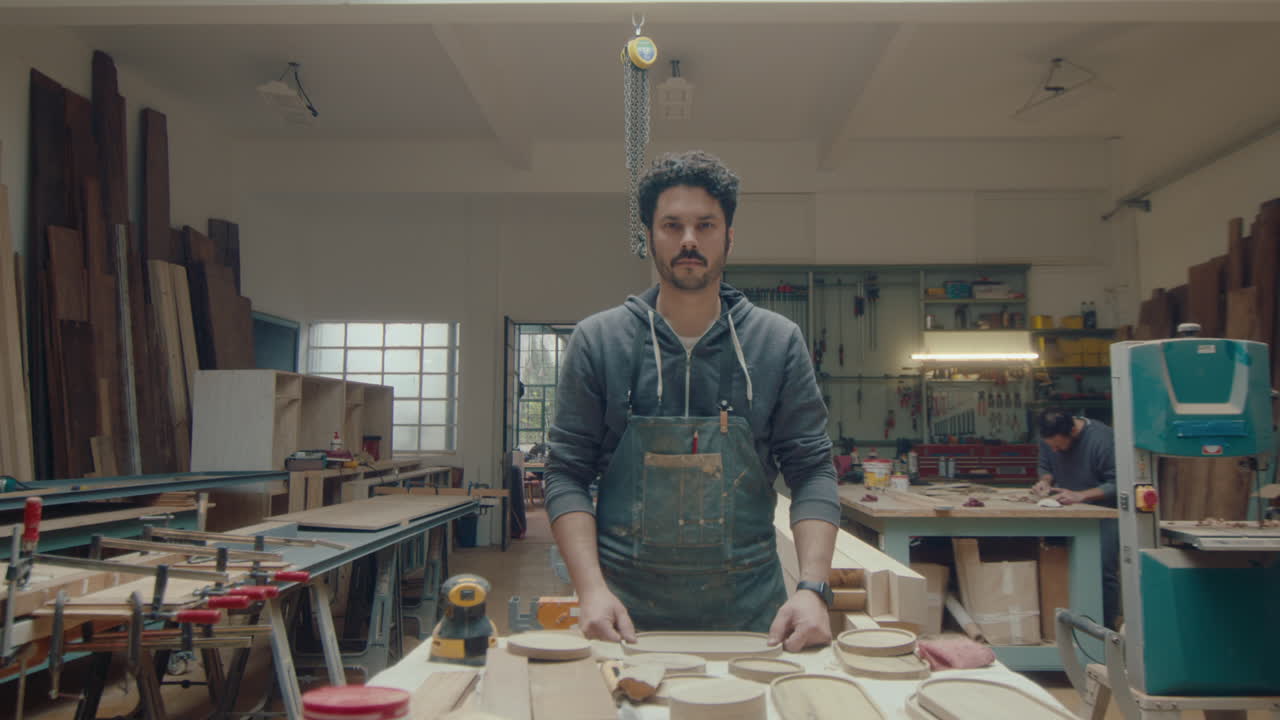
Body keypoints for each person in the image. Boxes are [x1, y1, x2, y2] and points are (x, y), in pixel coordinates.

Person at [544, 150, 840, 652]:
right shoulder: (599, 341)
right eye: (671, 225)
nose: (688, 240)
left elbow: (812, 470)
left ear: (729, 236)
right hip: (621, 617)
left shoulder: (777, 341)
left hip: (753, 618)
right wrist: (590, 590)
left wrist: (812, 589)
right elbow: (566, 473)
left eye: (705, 225)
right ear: (649, 236)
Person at [1032, 408, 1120, 629]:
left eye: (1058, 445)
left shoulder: (1103, 440)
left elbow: (1118, 483)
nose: (1054, 449)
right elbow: (1046, 465)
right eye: (1049, 444)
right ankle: (1064, 630)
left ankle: (1104, 634)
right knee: (1061, 567)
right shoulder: (1050, 437)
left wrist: (1082, 495)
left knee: (1102, 572)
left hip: (1102, 514)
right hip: (1065, 510)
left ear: (1072, 431)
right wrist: (1046, 481)